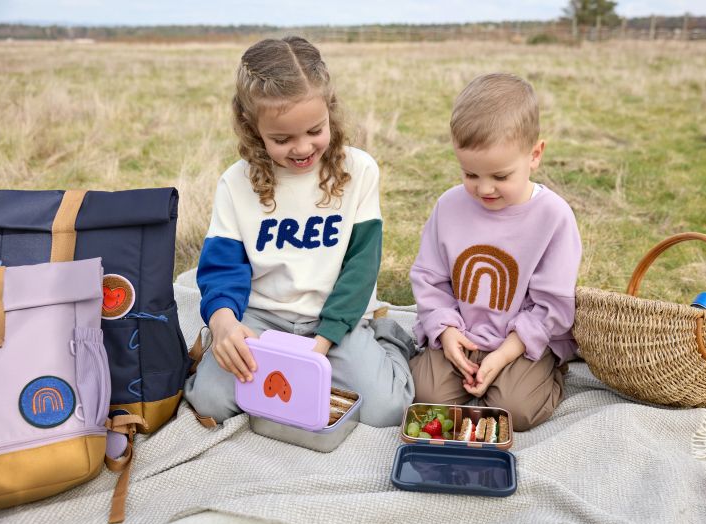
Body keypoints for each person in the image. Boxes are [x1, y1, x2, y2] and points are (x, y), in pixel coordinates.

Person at [185, 36, 415, 427]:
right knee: (209, 402)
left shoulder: (358, 172)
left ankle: (387, 337)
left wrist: (321, 344)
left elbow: (360, 268)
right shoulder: (235, 183)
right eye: (282, 139)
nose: (302, 147)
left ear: (330, 111)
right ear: (252, 128)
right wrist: (223, 321)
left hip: (333, 321)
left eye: (314, 130)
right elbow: (223, 268)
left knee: (386, 410)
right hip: (261, 320)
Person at [409, 73, 582, 432]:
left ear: (535, 155)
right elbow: (430, 278)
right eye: (470, 173)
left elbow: (552, 305)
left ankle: (547, 372)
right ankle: (453, 363)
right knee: (427, 399)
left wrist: (504, 354)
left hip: (521, 341)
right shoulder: (449, 206)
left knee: (512, 412)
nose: (484, 188)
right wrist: (445, 332)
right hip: (463, 330)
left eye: (500, 177)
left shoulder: (554, 217)